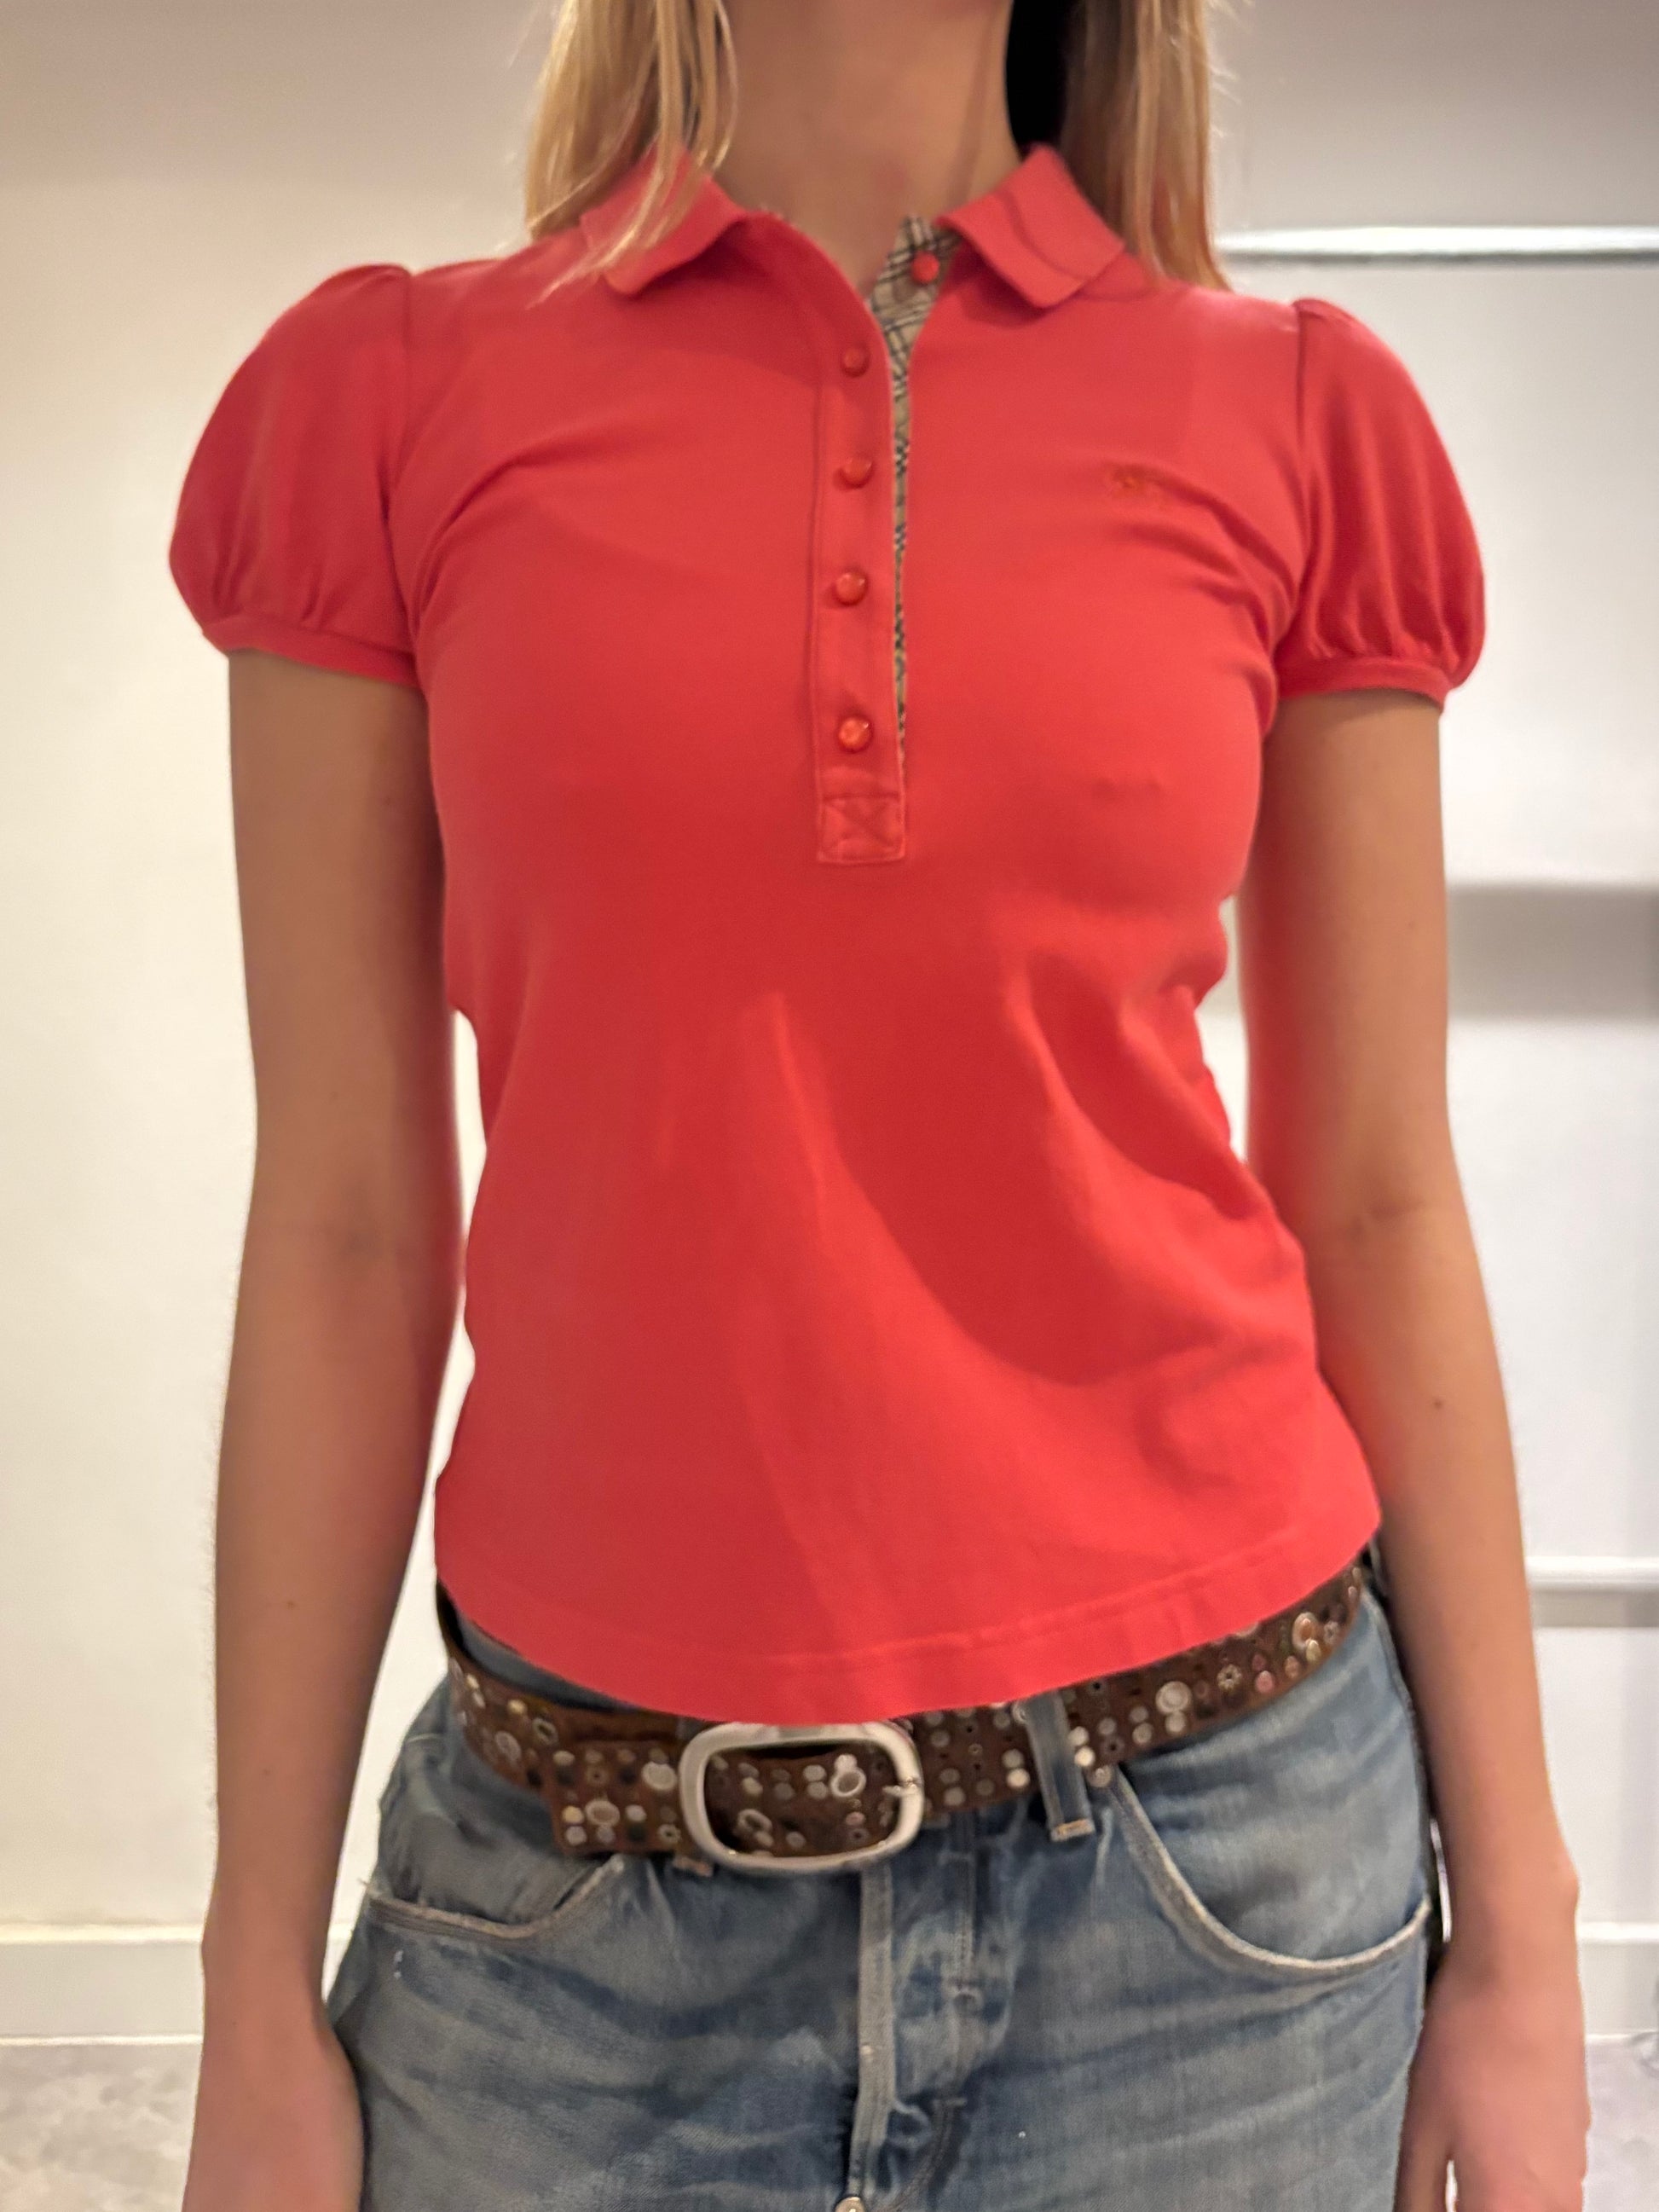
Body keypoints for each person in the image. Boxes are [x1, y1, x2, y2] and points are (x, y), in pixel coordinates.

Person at [167, 3, 1591, 2208]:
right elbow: (347, 1222)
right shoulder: (384, 402)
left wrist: (1522, 1937)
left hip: (1214, 1892)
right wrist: (249, 1975)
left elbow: (1378, 1196)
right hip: (572, 1909)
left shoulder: (1299, 416)